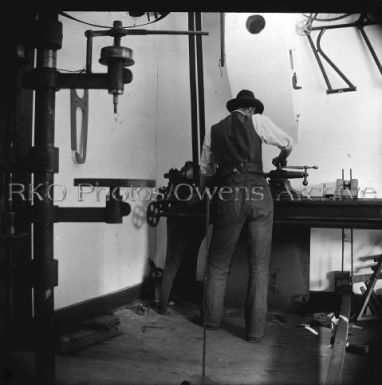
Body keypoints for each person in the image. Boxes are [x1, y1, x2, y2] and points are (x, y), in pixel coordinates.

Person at [199, 89, 293, 342]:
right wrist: (281, 157)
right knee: (259, 267)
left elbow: (206, 168)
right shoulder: (258, 121)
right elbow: (287, 142)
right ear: (251, 108)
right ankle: (254, 332)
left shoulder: (214, 129)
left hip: (229, 193)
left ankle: (211, 320)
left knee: (218, 262)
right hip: (259, 193)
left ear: (235, 108)